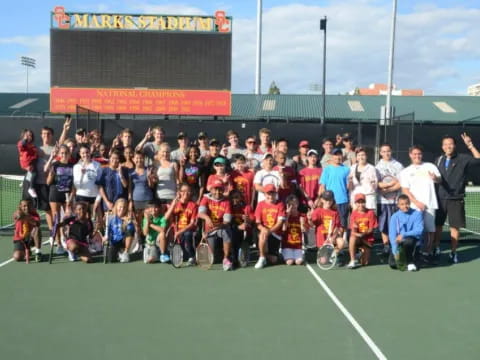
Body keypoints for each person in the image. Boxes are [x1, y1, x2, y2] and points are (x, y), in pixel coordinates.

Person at [433, 134, 480, 263]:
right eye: (445, 144)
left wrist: (470, 145)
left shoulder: (463, 159)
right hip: (440, 199)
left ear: (454, 145)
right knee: (438, 226)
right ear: (442, 147)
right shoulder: (438, 160)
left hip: (456, 199)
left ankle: (453, 253)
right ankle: (436, 248)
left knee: (454, 227)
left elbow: (478, 159)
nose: (448, 146)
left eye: (450, 144)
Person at [400, 145, 441, 260]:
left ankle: (427, 252)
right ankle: (413, 252)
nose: (417, 156)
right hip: (414, 206)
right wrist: (416, 202)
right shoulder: (406, 171)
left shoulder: (430, 166)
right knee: (414, 230)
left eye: (419, 154)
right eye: (414, 154)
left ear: (422, 155)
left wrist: (435, 178)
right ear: (410, 155)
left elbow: (439, 179)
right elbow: (405, 190)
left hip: (430, 204)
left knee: (430, 230)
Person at [45, 144, 74, 254]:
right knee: (56, 220)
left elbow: (73, 185)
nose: (64, 155)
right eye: (62, 153)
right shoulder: (55, 165)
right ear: (58, 154)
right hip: (55, 195)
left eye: (66, 153)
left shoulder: (73, 166)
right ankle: (59, 244)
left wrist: (70, 199)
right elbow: (48, 182)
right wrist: (51, 174)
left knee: (68, 220)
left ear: (69, 154)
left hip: (66, 196)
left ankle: (68, 242)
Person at [198, 179, 233, 271]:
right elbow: (200, 213)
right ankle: (218, 254)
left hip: (221, 228)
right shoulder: (205, 199)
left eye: (220, 189)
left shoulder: (227, 202)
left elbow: (227, 221)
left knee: (226, 232)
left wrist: (215, 228)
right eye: (215, 189)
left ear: (223, 190)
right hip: (208, 230)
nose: (218, 192)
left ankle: (226, 258)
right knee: (212, 258)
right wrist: (207, 218)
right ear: (211, 190)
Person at [375, 143, 404, 254]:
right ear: (380, 153)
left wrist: (389, 190)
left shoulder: (398, 165)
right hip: (382, 201)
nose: (386, 153)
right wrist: (387, 186)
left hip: (396, 201)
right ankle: (386, 245)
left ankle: (395, 245)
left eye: (388, 151)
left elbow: (400, 182)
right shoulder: (377, 167)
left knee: (396, 224)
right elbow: (378, 183)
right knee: (384, 224)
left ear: (391, 152)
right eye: (384, 151)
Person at [164, 184, 198, 265]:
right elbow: (165, 218)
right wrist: (174, 202)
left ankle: (192, 257)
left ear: (191, 193)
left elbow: (192, 223)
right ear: (179, 192)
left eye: (188, 191)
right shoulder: (175, 203)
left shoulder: (194, 205)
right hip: (175, 231)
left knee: (187, 234)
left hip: (187, 231)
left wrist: (180, 232)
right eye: (183, 191)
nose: (186, 193)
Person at [389, 194, 424, 272]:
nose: (405, 206)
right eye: (402, 204)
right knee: (393, 264)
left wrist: (404, 234)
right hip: (399, 244)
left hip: (413, 241)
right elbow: (392, 235)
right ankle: (403, 259)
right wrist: (395, 252)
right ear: (398, 205)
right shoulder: (394, 216)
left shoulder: (417, 214)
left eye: (407, 203)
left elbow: (419, 230)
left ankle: (410, 262)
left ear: (410, 203)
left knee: (409, 240)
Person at [254, 184, 286, 269]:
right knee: (262, 234)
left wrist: (270, 231)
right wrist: (264, 229)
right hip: (264, 231)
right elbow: (257, 223)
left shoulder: (280, 204)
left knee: (274, 260)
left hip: (275, 233)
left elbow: (279, 223)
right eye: (268, 194)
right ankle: (261, 257)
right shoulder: (260, 204)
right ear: (264, 194)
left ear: (276, 194)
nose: (270, 196)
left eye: (272, 193)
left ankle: (264, 254)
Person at [129, 151, 155, 249]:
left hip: (148, 199)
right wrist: (130, 200)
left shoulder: (148, 170)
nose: (139, 160)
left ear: (143, 159)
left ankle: (148, 242)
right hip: (136, 200)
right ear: (133, 159)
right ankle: (140, 243)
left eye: (141, 158)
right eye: (137, 158)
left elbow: (151, 186)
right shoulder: (131, 172)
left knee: (148, 221)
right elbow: (130, 188)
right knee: (138, 223)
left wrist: (149, 177)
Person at [319, 148, 350, 230]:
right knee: (330, 222)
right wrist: (321, 200)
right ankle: (331, 240)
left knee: (342, 222)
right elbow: (322, 185)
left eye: (339, 155)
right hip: (330, 201)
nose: (337, 157)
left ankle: (343, 239)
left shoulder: (346, 169)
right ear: (332, 157)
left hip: (342, 200)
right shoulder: (327, 169)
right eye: (335, 155)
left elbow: (348, 186)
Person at [347, 193, 378, 268]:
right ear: (355, 203)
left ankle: (359, 254)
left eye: (362, 202)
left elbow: (371, 229)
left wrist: (363, 234)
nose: (360, 204)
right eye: (358, 202)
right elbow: (353, 231)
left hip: (367, 238)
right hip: (358, 237)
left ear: (365, 202)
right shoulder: (353, 214)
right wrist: (358, 234)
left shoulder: (370, 213)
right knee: (352, 238)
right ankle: (352, 260)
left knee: (365, 263)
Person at [72, 144, 101, 219]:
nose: (85, 155)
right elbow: (77, 186)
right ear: (80, 154)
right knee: (82, 219)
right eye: (83, 153)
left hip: (94, 197)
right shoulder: (77, 166)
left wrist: (98, 199)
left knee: (95, 220)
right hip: (82, 196)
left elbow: (100, 184)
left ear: (90, 152)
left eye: (87, 152)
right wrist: (82, 174)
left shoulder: (97, 165)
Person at [229, 189, 254, 267]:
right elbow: (227, 220)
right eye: (232, 198)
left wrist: (247, 221)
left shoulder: (247, 207)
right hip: (234, 230)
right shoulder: (228, 206)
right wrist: (238, 217)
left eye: (237, 197)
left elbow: (252, 220)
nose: (235, 200)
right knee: (233, 234)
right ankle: (234, 259)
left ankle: (243, 256)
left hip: (246, 232)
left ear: (241, 198)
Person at [105, 198, 135, 263]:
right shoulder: (111, 217)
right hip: (114, 241)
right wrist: (105, 237)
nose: (122, 209)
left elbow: (131, 232)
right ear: (116, 207)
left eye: (124, 207)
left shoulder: (128, 218)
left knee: (130, 230)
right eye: (120, 207)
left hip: (124, 240)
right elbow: (107, 230)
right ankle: (119, 252)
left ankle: (126, 253)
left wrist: (128, 223)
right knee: (111, 260)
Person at [282, 195, 304, 265]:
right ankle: (283, 253)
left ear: (298, 204)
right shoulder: (285, 216)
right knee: (290, 262)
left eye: (295, 204)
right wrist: (287, 215)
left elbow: (304, 230)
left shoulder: (302, 216)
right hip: (287, 245)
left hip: (298, 245)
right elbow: (284, 228)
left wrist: (302, 224)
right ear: (288, 205)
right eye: (291, 204)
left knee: (299, 262)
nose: (293, 206)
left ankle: (300, 254)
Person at [17, 129, 38, 198]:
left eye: (30, 135)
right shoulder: (23, 144)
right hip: (27, 163)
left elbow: (35, 152)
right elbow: (21, 146)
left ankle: (24, 182)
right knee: (34, 173)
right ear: (23, 136)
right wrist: (24, 140)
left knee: (31, 173)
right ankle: (31, 188)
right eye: (27, 135)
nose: (29, 137)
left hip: (32, 162)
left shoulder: (31, 145)